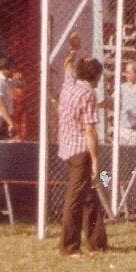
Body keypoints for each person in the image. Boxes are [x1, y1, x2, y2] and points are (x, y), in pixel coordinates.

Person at [57, 36, 107, 257]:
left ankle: (97, 242)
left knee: (89, 195)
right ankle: (69, 247)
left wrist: (73, 50)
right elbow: (90, 130)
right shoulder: (88, 93)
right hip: (80, 151)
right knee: (76, 199)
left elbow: (67, 64)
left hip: (66, 147)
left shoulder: (70, 83)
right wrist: (96, 161)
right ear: (95, 76)